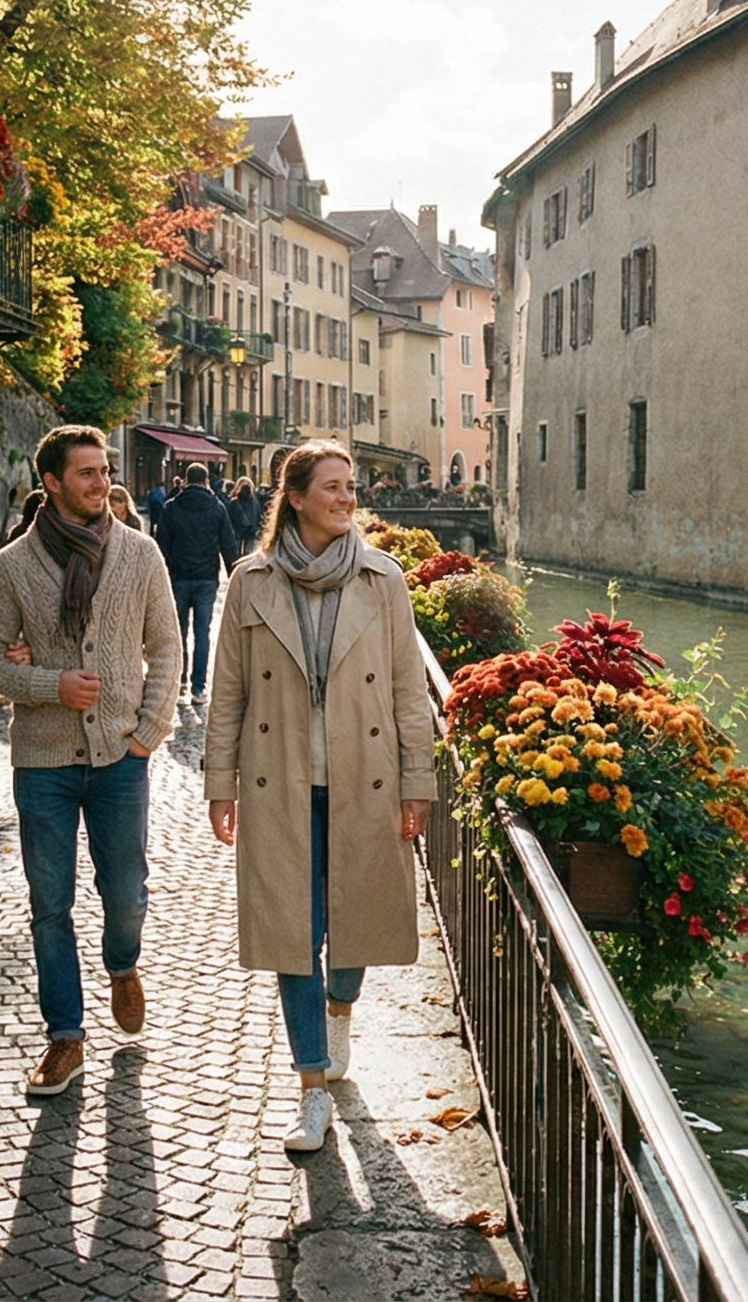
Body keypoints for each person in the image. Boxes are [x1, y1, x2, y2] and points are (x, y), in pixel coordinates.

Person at [203, 442, 437, 1152]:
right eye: (332, 488)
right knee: (292, 935)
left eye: (351, 487)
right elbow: (230, 694)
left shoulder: (383, 579)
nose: (347, 498)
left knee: (356, 916)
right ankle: (311, 1089)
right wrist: (221, 784)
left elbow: (406, 691)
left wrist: (418, 781)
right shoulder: (250, 582)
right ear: (295, 497)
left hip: (364, 776)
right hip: (279, 781)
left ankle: (342, 1011)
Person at [0, 425, 184, 1096]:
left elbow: (168, 648)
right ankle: (65, 1037)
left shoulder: (140, 554)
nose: (101, 483)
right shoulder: (13, 564)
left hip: (121, 755)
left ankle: (123, 965)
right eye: (87, 473)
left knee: (126, 893)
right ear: (54, 484)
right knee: (48, 903)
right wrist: (48, 687)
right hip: (42, 761)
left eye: (104, 470)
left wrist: (148, 733)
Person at [156, 463, 239, 706]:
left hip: (179, 577)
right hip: (206, 578)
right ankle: (199, 688)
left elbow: (162, 543)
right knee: (202, 632)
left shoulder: (171, 508)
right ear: (206, 481)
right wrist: (234, 574)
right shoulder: (217, 508)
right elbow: (228, 544)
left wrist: (166, 570)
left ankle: (180, 683)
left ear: (184, 479)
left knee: (179, 631)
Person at [229, 477, 264, 557]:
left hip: (237, 531)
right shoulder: (255, 502)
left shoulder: (234, 501)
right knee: (248, 554)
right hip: (251, 530)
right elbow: (259, 515)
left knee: (236, 553)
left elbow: (229, 517)